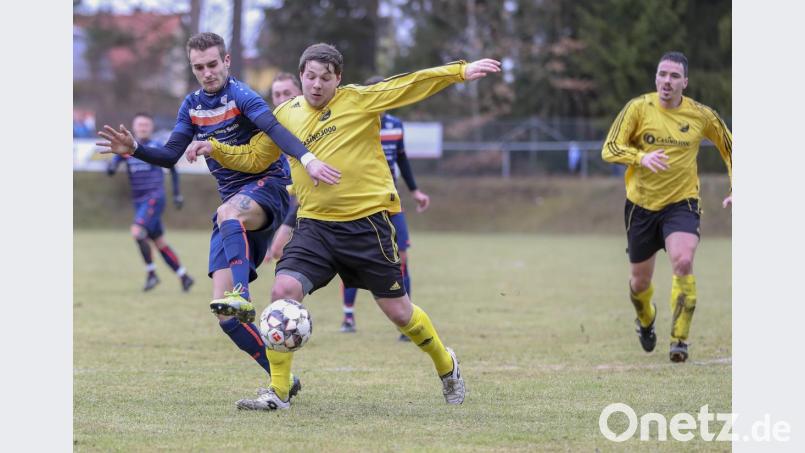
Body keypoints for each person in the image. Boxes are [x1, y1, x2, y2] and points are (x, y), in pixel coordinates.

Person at [185, 43, 501, 410]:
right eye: (310, 76)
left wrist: (459, 71)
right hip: (315, 227)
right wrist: (216, 148)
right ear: (301, 76)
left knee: (400, 313)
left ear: (339, 79)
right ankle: (279, 391)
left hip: (366, 226)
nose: (316, 85)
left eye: (325, 78)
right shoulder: (286, 114)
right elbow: (256, 156)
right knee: (283, 291)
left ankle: (446, 365)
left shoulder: (359, 100)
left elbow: (411, 84)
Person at [96, 32, 340, 397]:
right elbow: (170, 155)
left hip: (267, 189)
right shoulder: (191, 106)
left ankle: (242, 292)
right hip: (233, 211)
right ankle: (283, 380)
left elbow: (275, 128)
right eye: (199, 67)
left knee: (228, 216)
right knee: (226, 318)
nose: (207, 72)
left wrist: (307, 159)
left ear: (226, 61)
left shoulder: (242, 96)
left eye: (213, 64)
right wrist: (135, 149)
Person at [601, 51, 732, 363]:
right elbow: (609, 148)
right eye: (662, 74)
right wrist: (640, 157)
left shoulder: (701, 115)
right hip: (641, 207)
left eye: (674, 76)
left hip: (682, 203)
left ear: (685, 82)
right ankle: (645, 319)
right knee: (639, 283)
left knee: (683, 261)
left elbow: (731, 148)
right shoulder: (637, 108)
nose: (667, 81)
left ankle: (679, 339)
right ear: (656, 78)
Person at [340, 75, 431, 341]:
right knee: (351, 259)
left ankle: (407, 323)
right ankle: (348, 315)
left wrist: (415, 191)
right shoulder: (353, 123)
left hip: (390, 201)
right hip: (359, 202)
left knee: (402, 258)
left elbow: (402, 158)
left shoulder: (395, 126)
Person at [106, 112, 194, 292]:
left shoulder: (157, 146)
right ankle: (184, 276)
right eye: (140, 125)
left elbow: (173, 169)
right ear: (134, 127)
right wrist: (112, 166)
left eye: (146, 125)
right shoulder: (126, 148)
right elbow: (111, 169)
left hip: (154, 198)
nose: (143, 128)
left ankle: (151, 274)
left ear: (151, 127)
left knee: (137, 232)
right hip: (139, 201)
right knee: (159, 242)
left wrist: (177, 194)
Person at [265, 72, 303, 265]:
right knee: (277, 250)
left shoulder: (310, 122)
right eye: (277, 94)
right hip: (289, 198)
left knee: (278, 249)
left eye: (287, 93)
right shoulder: (272, 128)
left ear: (299, 93)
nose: (281, 99)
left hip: (312, 198)